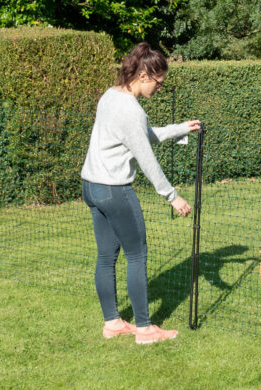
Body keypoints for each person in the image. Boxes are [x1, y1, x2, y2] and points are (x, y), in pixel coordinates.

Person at [80, 42, 200, 344]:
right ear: (144, 75)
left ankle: (113, 323)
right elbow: (147, 159)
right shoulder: (131, 111)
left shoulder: (110, 96)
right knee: (137, 255)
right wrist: (172, 196)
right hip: (114, 190)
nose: (160, 88)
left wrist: (181, 128)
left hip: (91, 187)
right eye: (159, 83)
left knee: (106, 257)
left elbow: (146, 136)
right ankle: (145, 329)